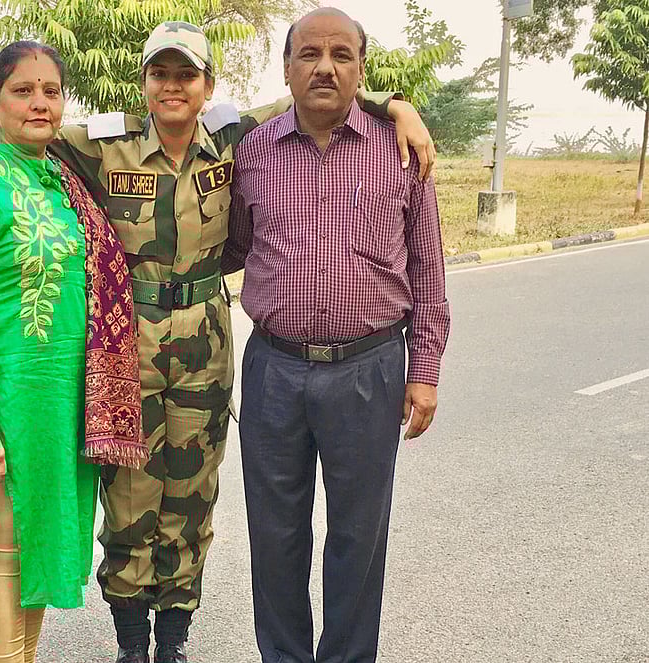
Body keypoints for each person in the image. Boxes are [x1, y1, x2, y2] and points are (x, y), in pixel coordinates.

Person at [0, 21, 435, 663]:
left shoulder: (237, 135)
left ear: (208, 86)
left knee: (192, 491)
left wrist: (396, 107)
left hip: (206, 340)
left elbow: (318, 93)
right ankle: (132, 642)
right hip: (127, 340)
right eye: (161, 74)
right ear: (144, 83)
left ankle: (174, 642)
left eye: (187, 75)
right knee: (128, 495)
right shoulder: (104, 141)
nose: (173, 86)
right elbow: (21, 125)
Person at [222, 8, 451, 663]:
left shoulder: (401, 149)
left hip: (371, 369)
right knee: (275, 535)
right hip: (274, 370)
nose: (326, 66)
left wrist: (426, 369)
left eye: (342, 55)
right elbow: (234, 245)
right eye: (311, 54)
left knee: (358, 535)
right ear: (287, 68)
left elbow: (429, 266)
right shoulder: (253, 151)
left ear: (360, 69)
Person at [0, 40, 143, 663]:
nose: (39, 103)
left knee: (39, 535)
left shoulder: (60, 178)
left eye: (51, 91)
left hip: (57, 401)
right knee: (5, 539)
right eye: (23, 91)